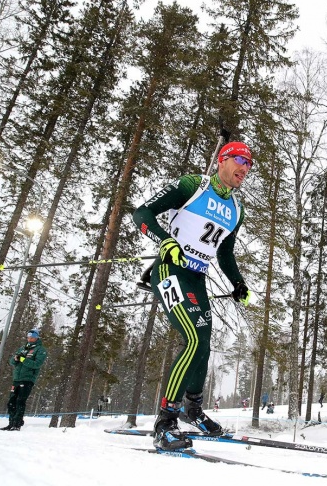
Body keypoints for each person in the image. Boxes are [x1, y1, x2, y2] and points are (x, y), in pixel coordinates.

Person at [132, 141, 254, 450]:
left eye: (249, 164)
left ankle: (193, 409)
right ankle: (165, 420)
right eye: (240, 159)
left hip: (197, 277)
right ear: (222, 161)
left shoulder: (236, 210)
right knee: (195, 340)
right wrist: (163, 241)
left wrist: (238, 283)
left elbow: (225, 252)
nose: (245, 167)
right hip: (170, 271)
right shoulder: (193, 186)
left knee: (204, 346)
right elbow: (142, 213)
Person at [0, 329, 47, 431]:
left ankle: (17, 424)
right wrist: (16, 359)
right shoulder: (22, 348)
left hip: (27, 379)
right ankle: (11, 423)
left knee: (20, 401)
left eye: (32, 337)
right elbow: (12, 361)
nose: (30, 339)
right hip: (16, 378)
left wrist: (23, 359)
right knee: (11, 402)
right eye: (28, 337)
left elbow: (37, 364)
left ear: (37, 338)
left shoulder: (40, 350)